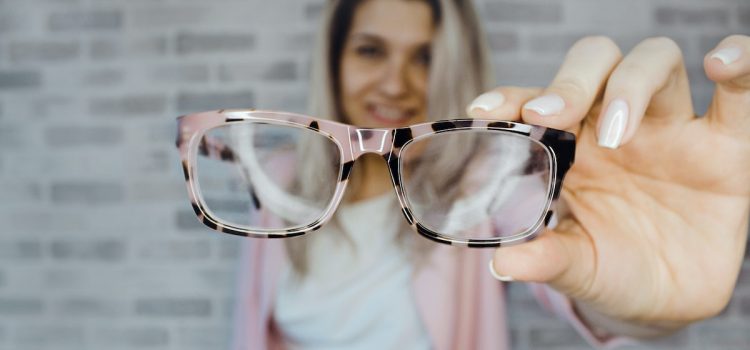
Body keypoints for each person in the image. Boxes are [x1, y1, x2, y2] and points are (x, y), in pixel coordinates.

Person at [227, 0, 750, 348]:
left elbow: (577, 277)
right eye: (370, 50)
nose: (395, 83)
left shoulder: (485, 182)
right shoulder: (280, 177)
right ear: (334, 60)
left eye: (426, 57)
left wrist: (652, 293)